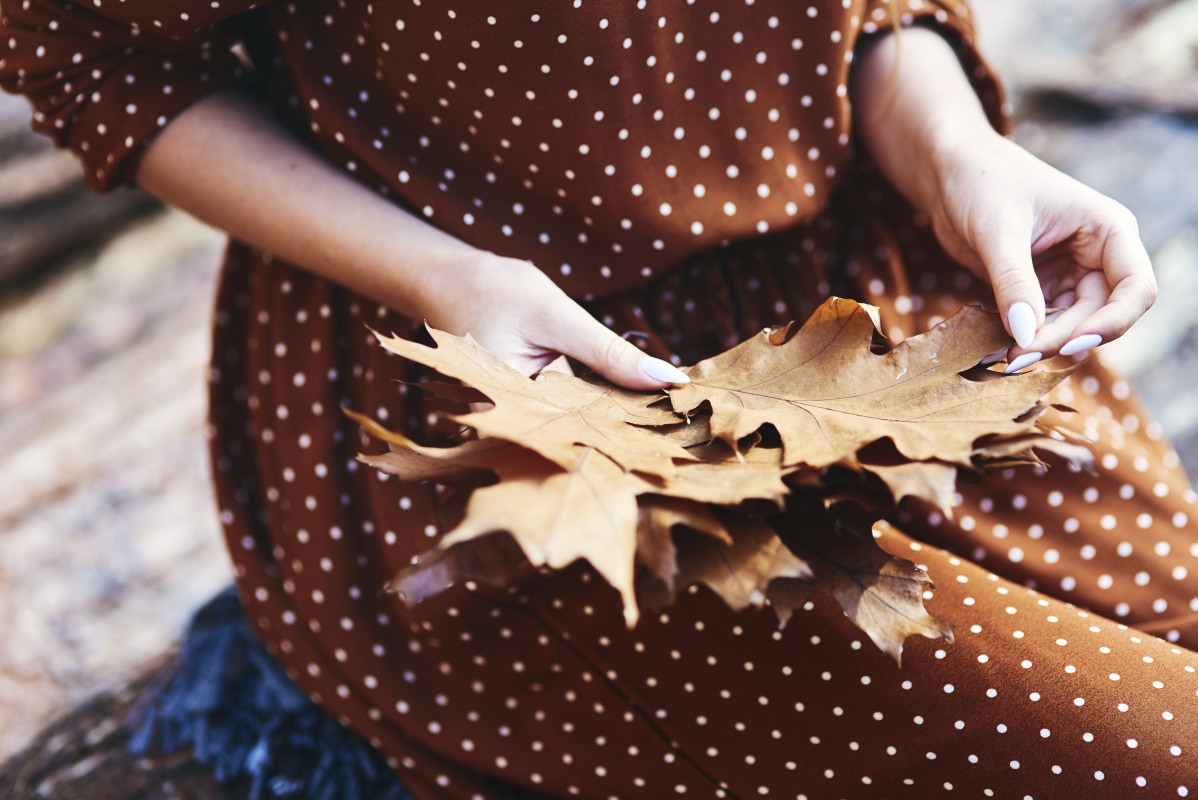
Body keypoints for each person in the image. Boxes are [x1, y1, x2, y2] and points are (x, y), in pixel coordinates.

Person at [2, 1, 1194, 797]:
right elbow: (100, 63)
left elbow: (860, 18)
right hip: (529, 403)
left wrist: (953, 150)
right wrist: (443, 277)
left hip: (870, 311)